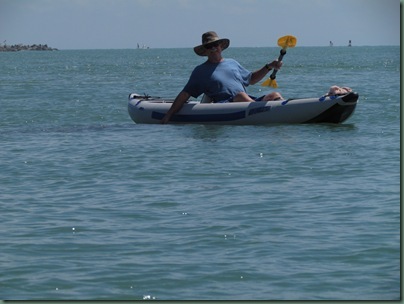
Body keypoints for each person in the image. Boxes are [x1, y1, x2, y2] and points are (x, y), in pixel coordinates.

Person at [161, 31, 284, 124]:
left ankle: (283, 111)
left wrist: (269, 66)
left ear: (220, 46)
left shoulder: (232, 63)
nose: (214, 48)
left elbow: (251, 79)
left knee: (274, 95)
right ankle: (262, 112)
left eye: (215, 45)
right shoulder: (200, 71)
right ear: (205, 51)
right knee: (240, 95)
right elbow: (185, 94)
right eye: (210, 46)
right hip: (225, 105)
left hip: (246, 102)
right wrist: (169, 115)